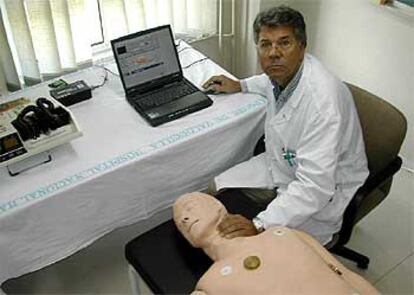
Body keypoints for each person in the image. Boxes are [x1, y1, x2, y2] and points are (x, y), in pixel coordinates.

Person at [202, 6, 369, 245]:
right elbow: (269, 80)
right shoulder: (283, 74)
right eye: (265, 44)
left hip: (326, 189)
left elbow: (314, 187)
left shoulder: (322, 105)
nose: (274, 53)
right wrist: (241, 84)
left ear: (302, 47)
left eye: (284, 43)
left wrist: (260, 224)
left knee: (267, 249)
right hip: (284, 162)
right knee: (214, 188)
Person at [173, 192, 378, 295]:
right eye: (181, 223)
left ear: (218, 206)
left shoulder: (285, 234)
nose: (184, 219)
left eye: (190, 208)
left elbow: (347, 274)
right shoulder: (209, 285)